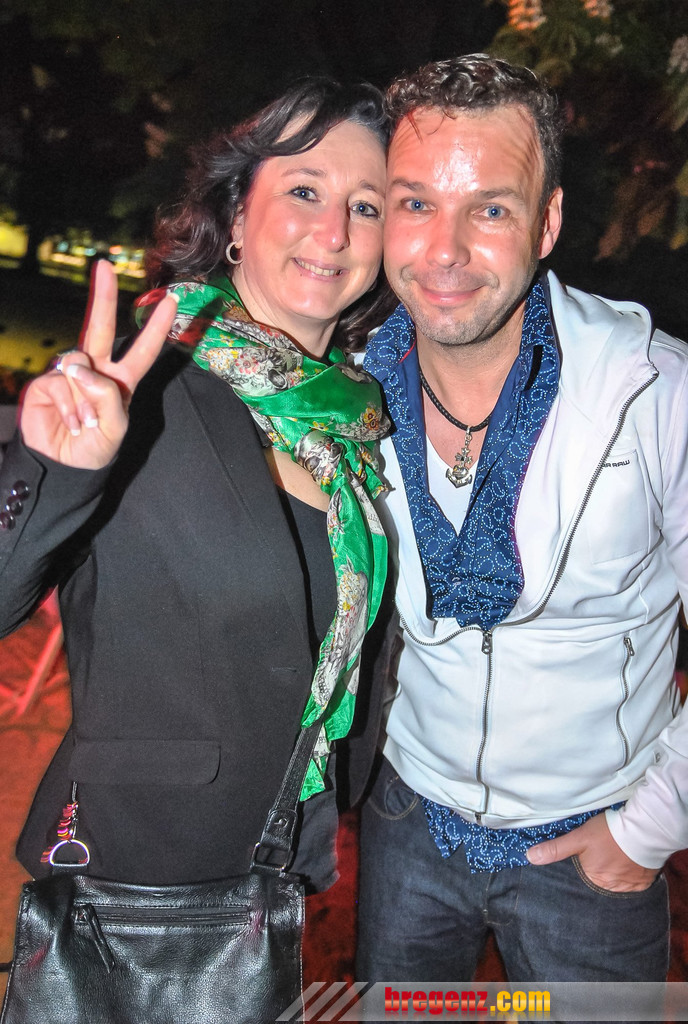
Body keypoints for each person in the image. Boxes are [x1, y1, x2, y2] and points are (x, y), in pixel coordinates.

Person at [0, 77, 392, 895]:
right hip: (133, 876)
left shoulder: (355, 423)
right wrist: (57, 470)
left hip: (278, 870)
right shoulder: (144, 392)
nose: (334, 231)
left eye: (367, 206)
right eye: (305, 190)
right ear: (238, 217)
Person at [356, 54, 688, 984]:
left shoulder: (656, 392)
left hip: (594, 851)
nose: (445, 250)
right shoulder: (344, 391)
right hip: (406, 820)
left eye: (491, 209)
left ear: (547, 223)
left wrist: (647, 830)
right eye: (417, 203)